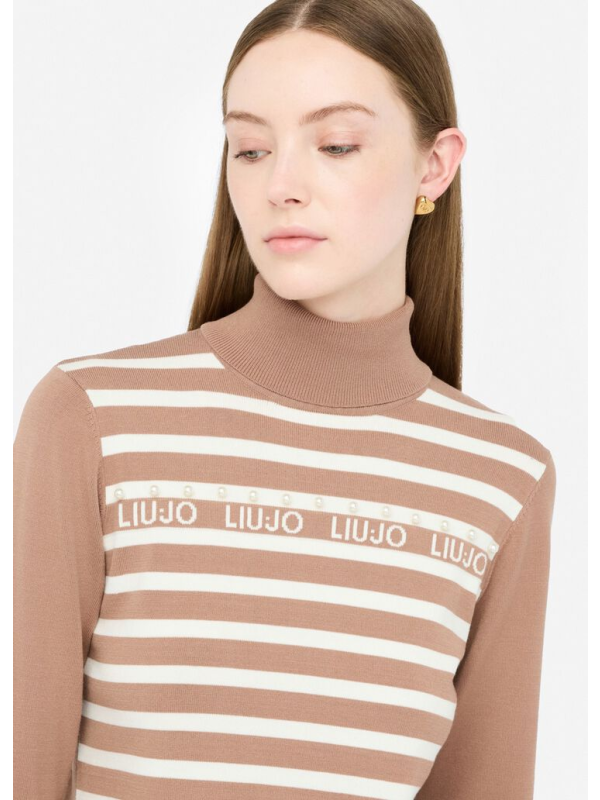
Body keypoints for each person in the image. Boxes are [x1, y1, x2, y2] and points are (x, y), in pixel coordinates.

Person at [13, 1, 557, 798]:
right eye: (251, 149)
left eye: (335, 145)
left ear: (434, 166)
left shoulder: (503, 477)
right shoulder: (93, 419)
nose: (280, 186)